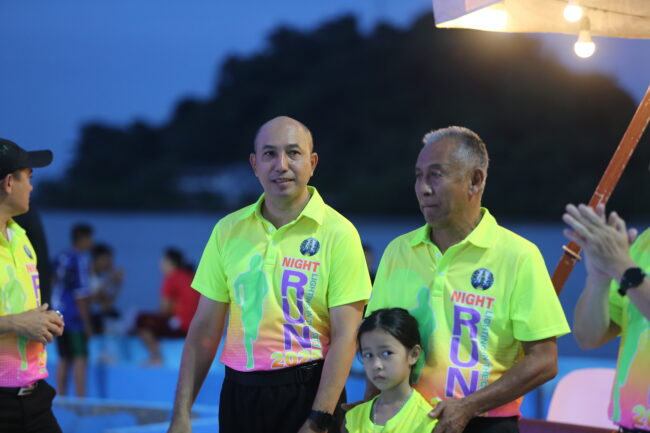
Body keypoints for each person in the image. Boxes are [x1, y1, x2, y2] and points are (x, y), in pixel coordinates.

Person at [167, 116, 372, 433]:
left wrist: (318, 420)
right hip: (239, 395)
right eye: (269, 154)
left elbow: (347, 336)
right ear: (254, 164)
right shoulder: (227, 230)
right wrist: (181, 414)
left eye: (294, 153)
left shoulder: (339, 233)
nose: (281, 165)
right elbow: (204, 329)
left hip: (308, 394)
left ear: (312, 163)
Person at [364, 126, 570, 433]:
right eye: (419, 176)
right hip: (404, 421)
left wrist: (469, 406)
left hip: (486, 424)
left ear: (475, 180)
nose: (423, 188)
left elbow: (544, 361)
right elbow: (377, 343)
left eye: (436, 175)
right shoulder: (398, 251)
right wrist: (366, 415)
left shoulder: (518, 256)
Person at [563, 202, 650, 432]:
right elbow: (588, 337)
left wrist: (621, 266)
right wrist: (599, 277)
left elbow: (625, 270)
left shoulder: (626, 263)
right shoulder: (645, 242)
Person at [0, 137, 64, 432]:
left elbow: (26, 309)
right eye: (29, 177)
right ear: (9, 183)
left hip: (35, 397)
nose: (32, 187)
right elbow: (18, 320)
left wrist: (45, 321)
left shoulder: (22, 237)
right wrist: (17, 324)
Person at [344, 308, 437, 433]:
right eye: (368, 355)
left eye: (387, 353)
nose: (376, 365)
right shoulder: (352, 418)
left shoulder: (426, 421)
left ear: (413, 354)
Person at [135, 248, 199, 365]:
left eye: (162, 261)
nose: (159, 264)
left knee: (142, 321)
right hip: (198, 326)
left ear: (169, 262)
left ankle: (156, 357)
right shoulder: (191, 276)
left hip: (182, 327)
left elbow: (165, 310)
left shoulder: (172, 278)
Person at [51, 223, 94, 396]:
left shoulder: (61, 257)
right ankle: (80, 400)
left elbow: (51, 281)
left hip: (57, 313)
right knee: (80, 357)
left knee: (63, 358)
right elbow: (81, 295)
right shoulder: (79, 260)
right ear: (84, 239)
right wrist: (87, 324)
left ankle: (61, 397)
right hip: (74, 318)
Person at [88, 243, 124, 334]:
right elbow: (91, 300)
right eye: (108, 260)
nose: (110, 264)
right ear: (98, 260)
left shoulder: (101, 278)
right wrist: (110, 280)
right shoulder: (86, 276)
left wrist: (118, 284)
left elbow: (107, 304)